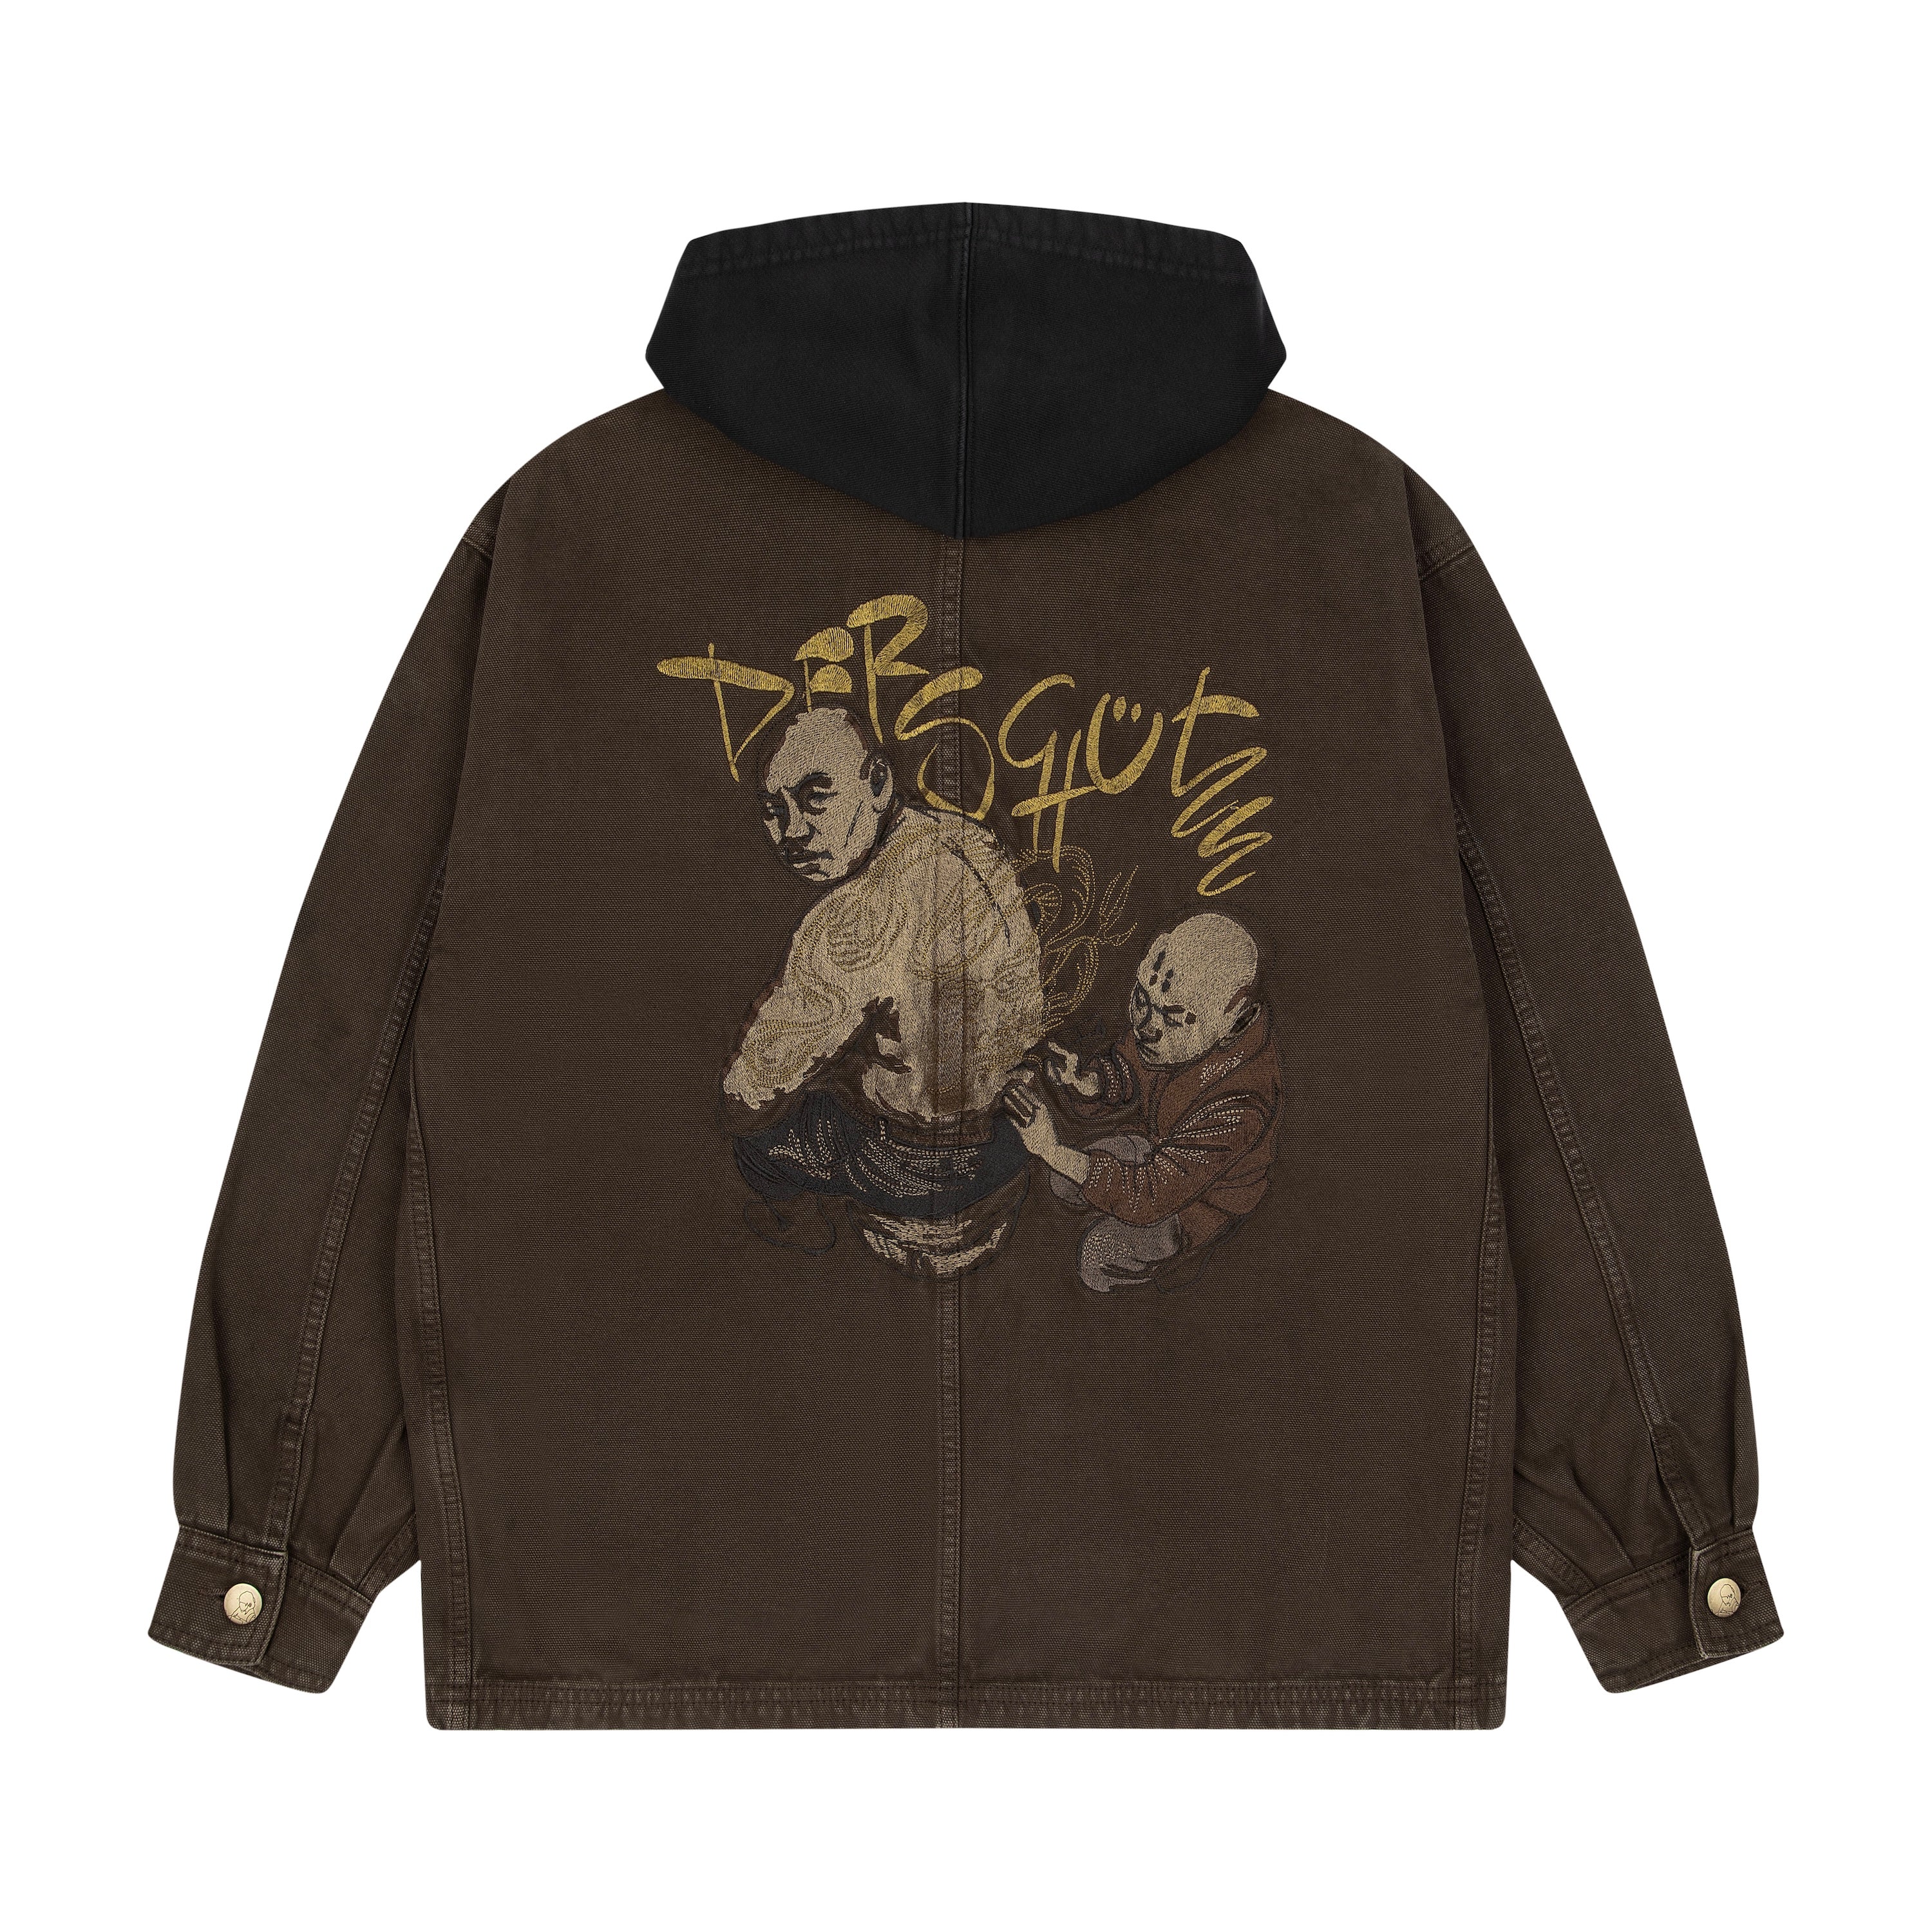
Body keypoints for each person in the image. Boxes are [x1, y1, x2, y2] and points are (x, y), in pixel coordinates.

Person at [724, 706, 1045, 1253]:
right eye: (775, 811)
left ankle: (805, 1234)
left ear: (877, 782)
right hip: (1014, 1134)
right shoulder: (971, 840)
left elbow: (746, 1094)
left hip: (927, 1169)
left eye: (815, 798)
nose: (792, 832)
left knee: (757, 1137)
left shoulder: (851, 920)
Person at [1003, 912, 1280, 1292]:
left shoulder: (1241, 1106)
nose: (1146, 1027)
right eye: (1142, 1000)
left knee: (1096, 1258)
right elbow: (1130, 1066)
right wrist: (1089, 1082)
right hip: (1158, 1149)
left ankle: (1181, 1264)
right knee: (1063, 1180)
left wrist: (1051, 1150)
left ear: (1233, 1018)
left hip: (1201, 1201)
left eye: (1173, 1019)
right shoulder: (1177, 1038)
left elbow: (1153, 1194)